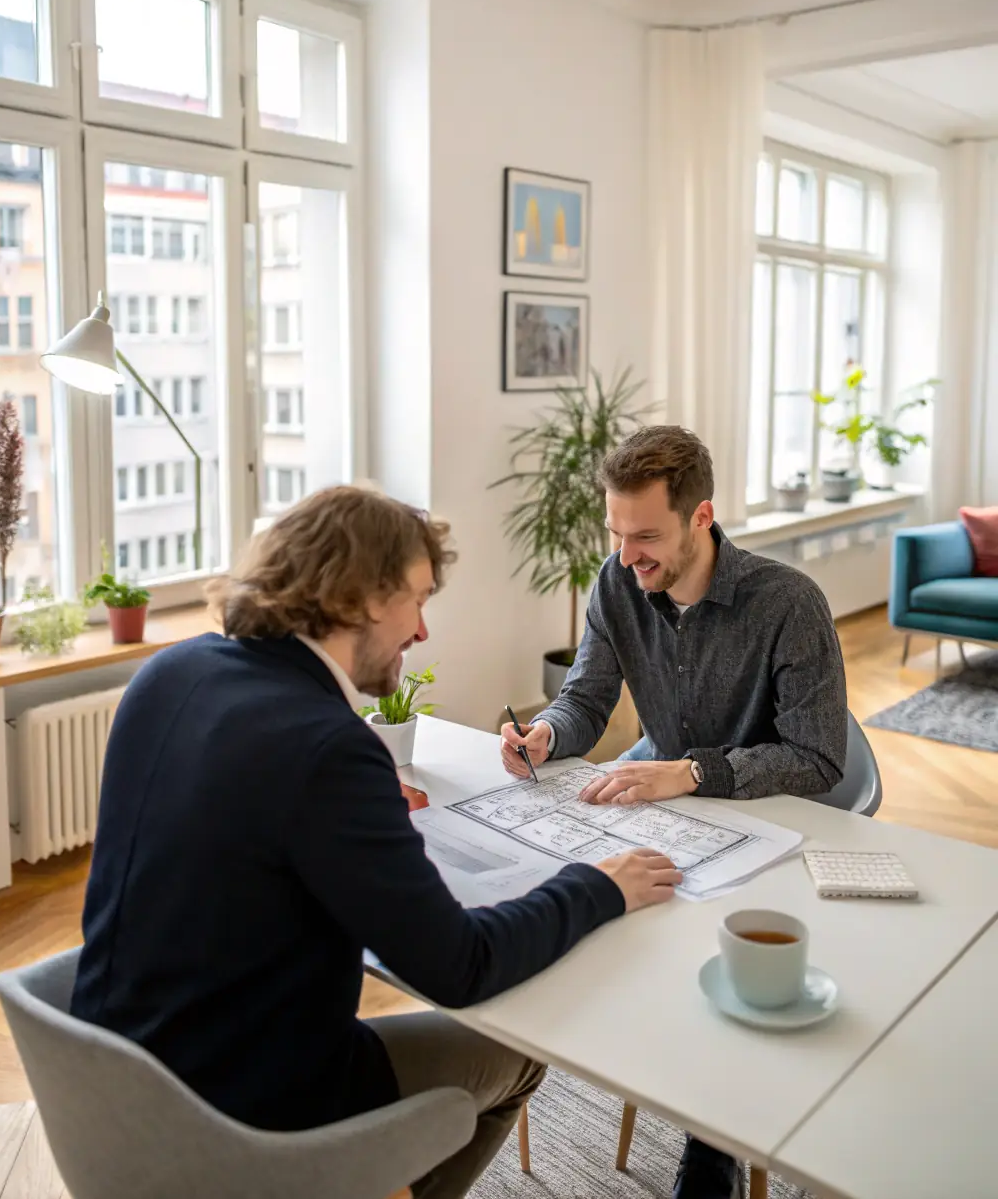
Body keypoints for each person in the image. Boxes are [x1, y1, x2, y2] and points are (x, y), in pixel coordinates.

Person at [72, 486, 681, 1199]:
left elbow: (243, 815)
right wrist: (597, 884)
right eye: (416, 601)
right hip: (244, 1122)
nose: (420, 630)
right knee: (517, 1057)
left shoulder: (170, 671)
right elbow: (461, 968)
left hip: (112, 1085)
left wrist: (350, 805)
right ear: (358, 598)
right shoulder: (327, 747)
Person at [500, 425, 847, 1199]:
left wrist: (692, 770)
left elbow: (820, 758)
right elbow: (587, 697)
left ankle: (714, 1141)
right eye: (617, 533)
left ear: (701, 517)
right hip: (669, 800)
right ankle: (635, 1054)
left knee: (709, 950)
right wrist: (547, 732)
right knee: (579, 895)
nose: (627, 556)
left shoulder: (789, 603)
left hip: (771, 816)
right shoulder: (617, 580)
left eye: (647, 536)